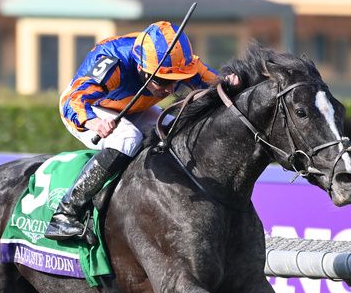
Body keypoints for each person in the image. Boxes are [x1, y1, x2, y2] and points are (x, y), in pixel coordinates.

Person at [44, 21, 224, 242]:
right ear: (140, 67)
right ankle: (65, 213)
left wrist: (232, 83)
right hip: (91, 107)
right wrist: (93, 122)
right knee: (127, 138)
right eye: (162, 81)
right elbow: (76, 99)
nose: (169, 90)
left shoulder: (178, 62)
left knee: (174, 130)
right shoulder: (112, 61)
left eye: (176, 82)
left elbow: (215, 84)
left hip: (136, 106)